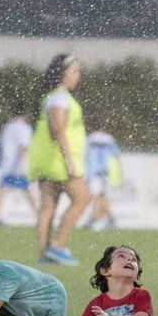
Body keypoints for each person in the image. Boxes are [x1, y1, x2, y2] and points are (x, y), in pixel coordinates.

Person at [27, 54, 90, 266]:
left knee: (47, 206)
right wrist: (69, 160)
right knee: (82, 199)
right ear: (62, 73)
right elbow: (59, 129)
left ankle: (44, 252)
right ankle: (59, 246)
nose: (77, 75)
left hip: (47, 161)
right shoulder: (61, 98)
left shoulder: (50, 97)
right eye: (74, 70)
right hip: (59, 162)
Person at [0, 102, 36, 224]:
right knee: (27, 190)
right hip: (18, 165)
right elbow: (24, 147)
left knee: (3, 189)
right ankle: (39, 215)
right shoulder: (25, 128)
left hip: (6, 163)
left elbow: (1, 145)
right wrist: (23, 164)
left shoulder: (7, 127)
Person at [84, 119, 122, 231]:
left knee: (96, 196)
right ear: (104, 126)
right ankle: (110, 218)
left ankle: (95, 219)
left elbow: (84, 155)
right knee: (102, 195)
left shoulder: (90, 139)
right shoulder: (108, 139)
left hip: (94, 171)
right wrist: (120, 173)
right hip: (106, 170)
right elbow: (116, 156)